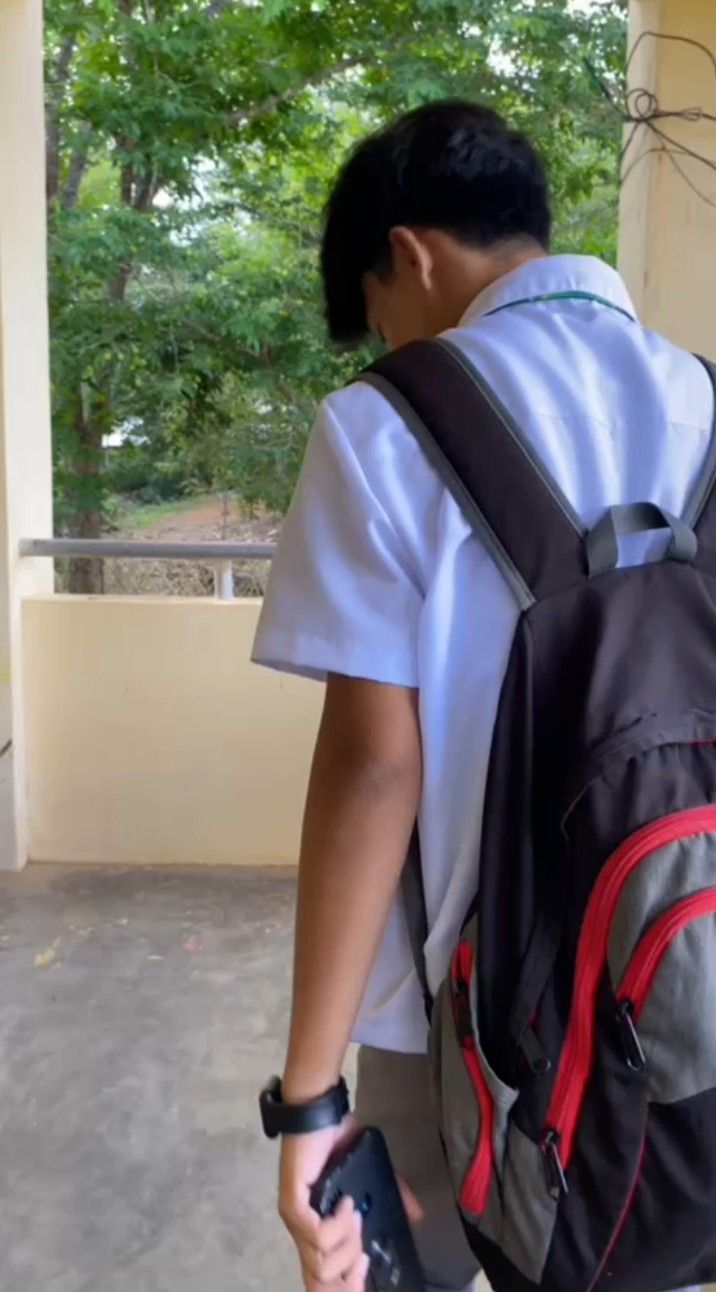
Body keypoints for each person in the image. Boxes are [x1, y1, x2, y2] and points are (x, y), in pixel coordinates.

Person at [253, 99, 713, 1292]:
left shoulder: (382, 426)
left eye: (375, 319)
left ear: (406, 253)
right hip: (689, 976)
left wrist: (306, 1095)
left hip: (476, 1027)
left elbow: (373, 767)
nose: (386, 347)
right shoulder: (700, 395)